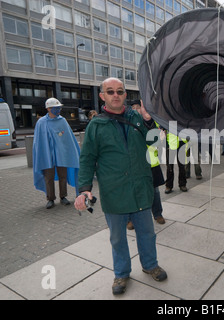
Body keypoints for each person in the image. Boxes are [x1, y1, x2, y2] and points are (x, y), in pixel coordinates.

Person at [74, 78, 167, 295]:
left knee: (147, 233)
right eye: (111, 91)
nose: (116, 95)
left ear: (125, 95)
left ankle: (150, 265)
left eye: (120, 91)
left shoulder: (137, 117)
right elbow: (87, 158)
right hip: (114, 190)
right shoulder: (95, 125)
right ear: (102, 96)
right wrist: (84, 188)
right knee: (117, 238)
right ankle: (122, 273)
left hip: (141, 188)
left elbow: (154, 143)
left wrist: (148, 121)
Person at [32, 98, 80, 209]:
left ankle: (63, 196)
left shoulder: (62, 121)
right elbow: (38, 142)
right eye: (55, 108)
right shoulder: (41, 122)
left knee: (63, 175)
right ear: (48, 108)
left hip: (61, 155)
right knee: (48, 177)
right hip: (47, 155)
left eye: (59, 108)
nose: (58, 110)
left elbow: (69, 139)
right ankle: (50, 198)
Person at [127, 99, 166, 229]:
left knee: (154, 191)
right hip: (134, 164)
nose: (136, 110)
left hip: (151, 163)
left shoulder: (151, 122)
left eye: (138, 107)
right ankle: (131, 218)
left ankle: (157, 214)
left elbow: (158, 142)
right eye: (133, 108)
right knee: (133, 191)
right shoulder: (128, 123)